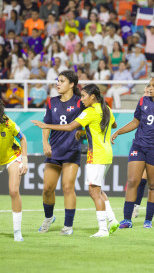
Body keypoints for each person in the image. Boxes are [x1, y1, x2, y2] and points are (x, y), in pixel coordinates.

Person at [32, 84, 119, 237]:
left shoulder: (90, 112)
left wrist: (46, 125)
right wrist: (84, 131)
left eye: (84, 96)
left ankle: (103, 229)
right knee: (98, 190)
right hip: (107, 154)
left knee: (94, 192)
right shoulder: (107, 109)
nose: (82, 99)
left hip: (96, 155)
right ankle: (112, 220)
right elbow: (113, 124)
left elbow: (69, 127)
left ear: (92, 97)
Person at [111, 75, 154, 228]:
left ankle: (148, 220)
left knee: (153, 185)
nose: (150, 88)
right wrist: (119, 131)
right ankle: (127, 219)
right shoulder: (143, 101)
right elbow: (136, 122)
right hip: (138, 145)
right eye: (149, 85)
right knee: (133, 181)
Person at [33, 70, 84, 236]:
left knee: (68, 187)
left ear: (72, 84)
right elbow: (46, 124)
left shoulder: (80, 102)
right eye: (57, 80)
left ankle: (68, 226)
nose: (58, 83)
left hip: (71, 150)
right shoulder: (52, 101)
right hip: (54, 151)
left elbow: (90, 121)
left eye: (62, 81)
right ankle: (49, 217)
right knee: (48, 188)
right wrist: (45, 142)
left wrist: (82, 133)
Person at [0, 99, 28, 241]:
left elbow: (22, 139)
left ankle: (17, 231)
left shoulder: (8, 122)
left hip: (12, 156)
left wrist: (25, 160)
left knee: (13, 191)